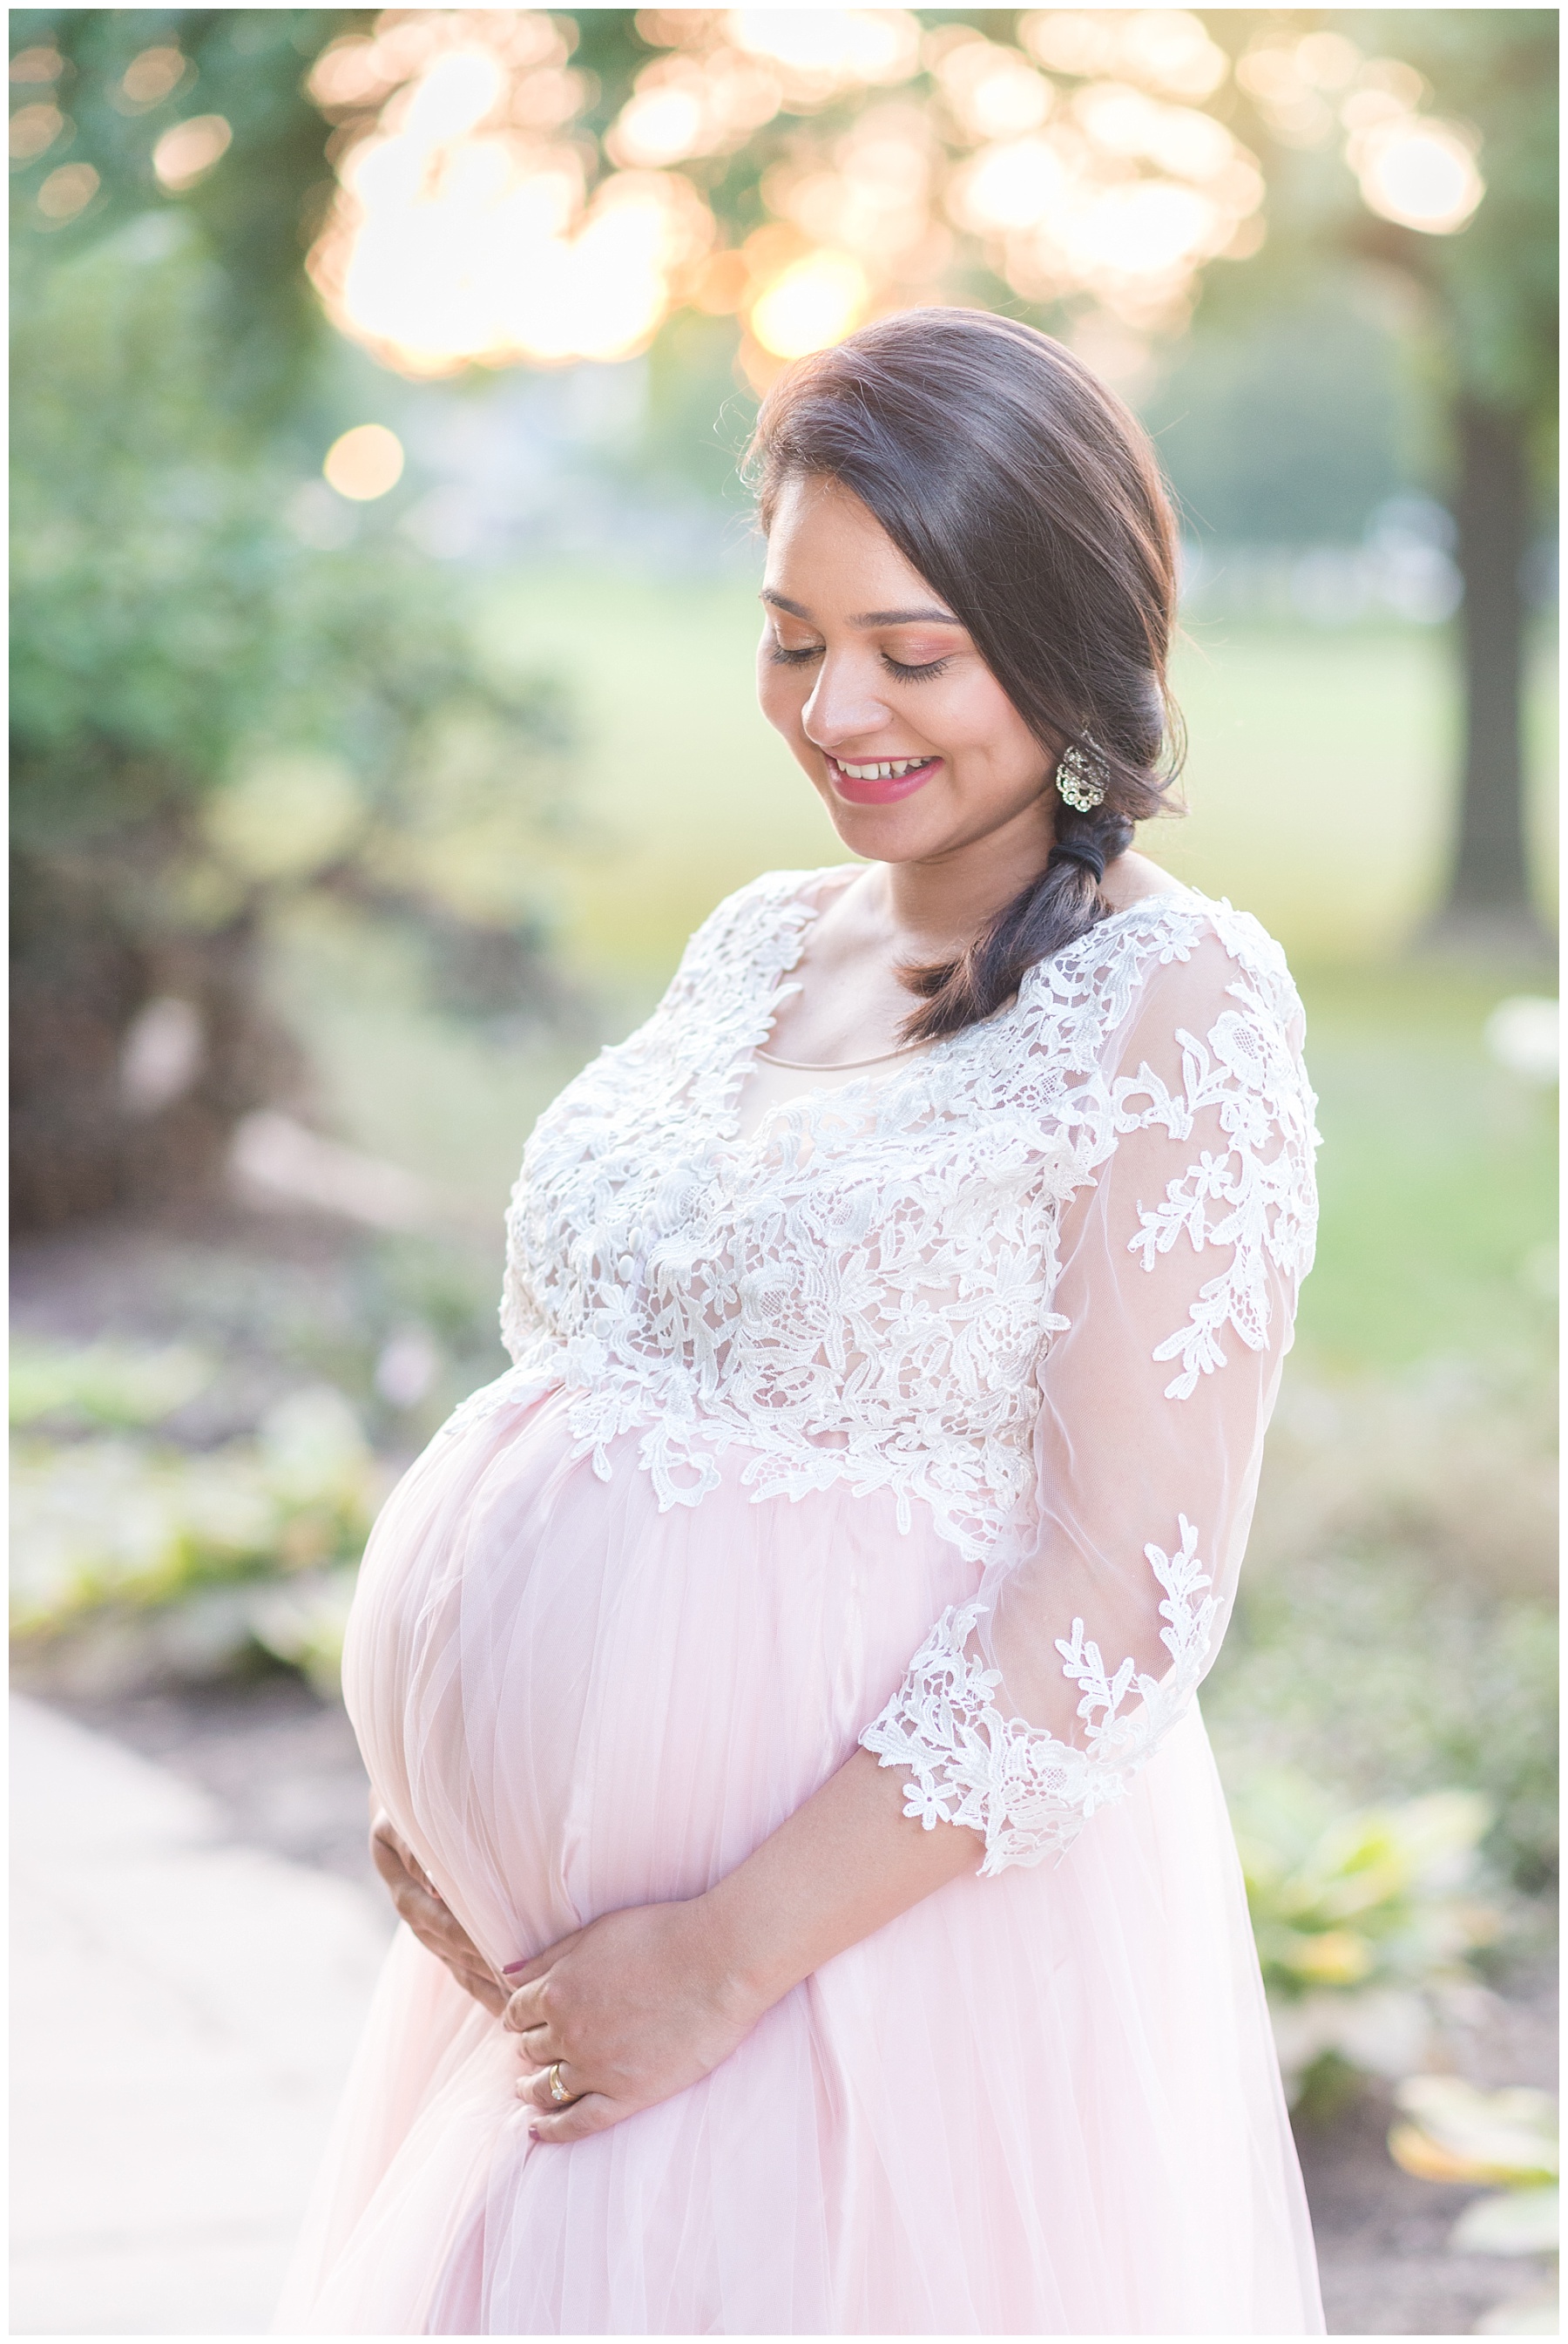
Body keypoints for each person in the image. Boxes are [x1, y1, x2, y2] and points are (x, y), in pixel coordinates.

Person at [276, 308, 1324, 2335]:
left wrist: (723, 1955)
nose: (836, 706)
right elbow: (588, 1391)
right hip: (541, 1972)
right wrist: (447, 1789)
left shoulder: (1173, 1010)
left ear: (1067, 637)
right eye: (789, 635)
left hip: (842, 1994)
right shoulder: (760, 940)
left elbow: (1125, 1596)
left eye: (911, 651)